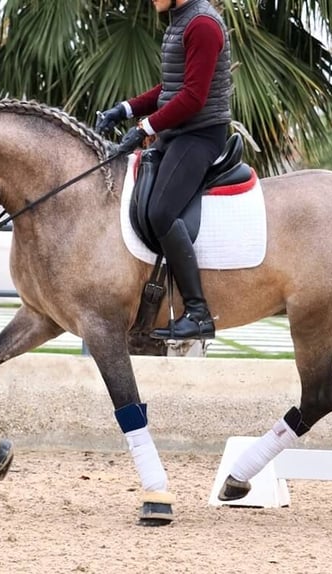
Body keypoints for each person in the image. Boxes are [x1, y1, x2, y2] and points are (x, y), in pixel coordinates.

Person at [95, 0, 232, 341]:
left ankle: (198, 312)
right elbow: (171, 89)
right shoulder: (180, 19)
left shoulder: (202, 24)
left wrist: (144, 128)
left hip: (201, 136)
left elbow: (193, 97)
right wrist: (123, 109)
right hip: (179, 133)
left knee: (160, 211)